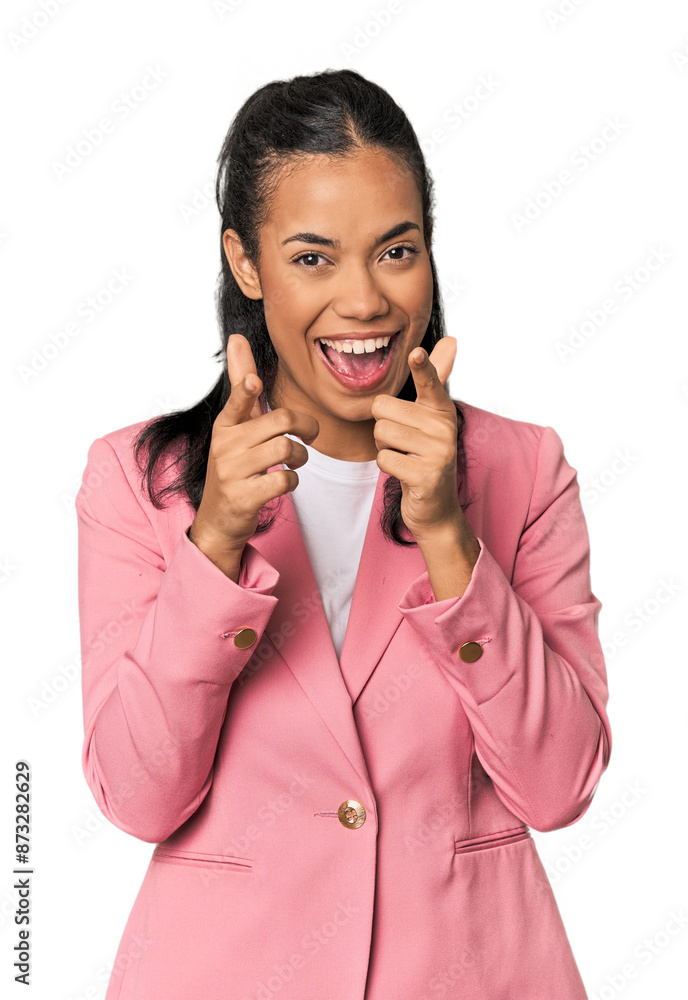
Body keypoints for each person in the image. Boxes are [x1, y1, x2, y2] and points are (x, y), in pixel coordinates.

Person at [75, 68, 611, 999]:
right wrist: (213, 548)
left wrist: (449, 534)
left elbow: (559, 787)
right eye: (313, 257)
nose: (363, 302)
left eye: (395, 251)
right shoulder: (138, 482)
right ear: (247, 264)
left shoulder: (525, 471)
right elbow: (137, 796)